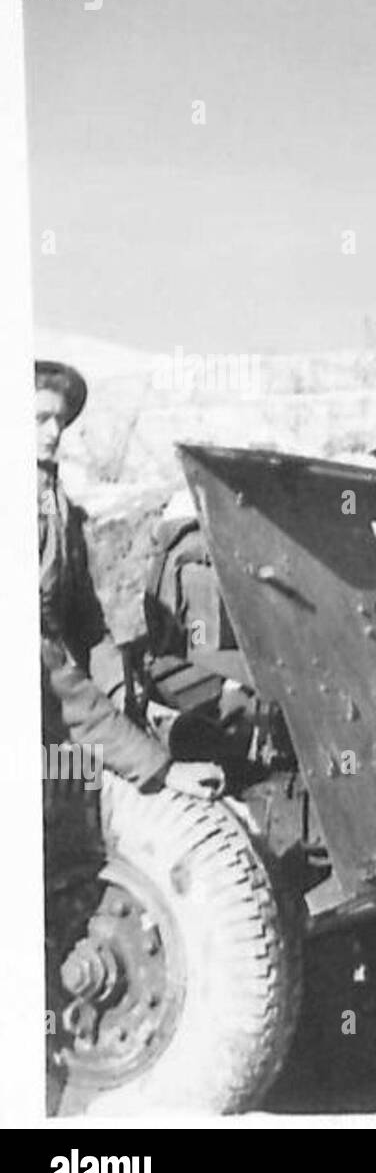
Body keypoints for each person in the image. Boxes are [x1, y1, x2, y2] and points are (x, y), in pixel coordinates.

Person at [37, 358, 221, 865]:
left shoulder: (56, 507)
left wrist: (132, 705)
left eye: (59, 421)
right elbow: (47, 666)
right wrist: (153, 766)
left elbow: (86, 629)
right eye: (38, 420)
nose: (53, 433)